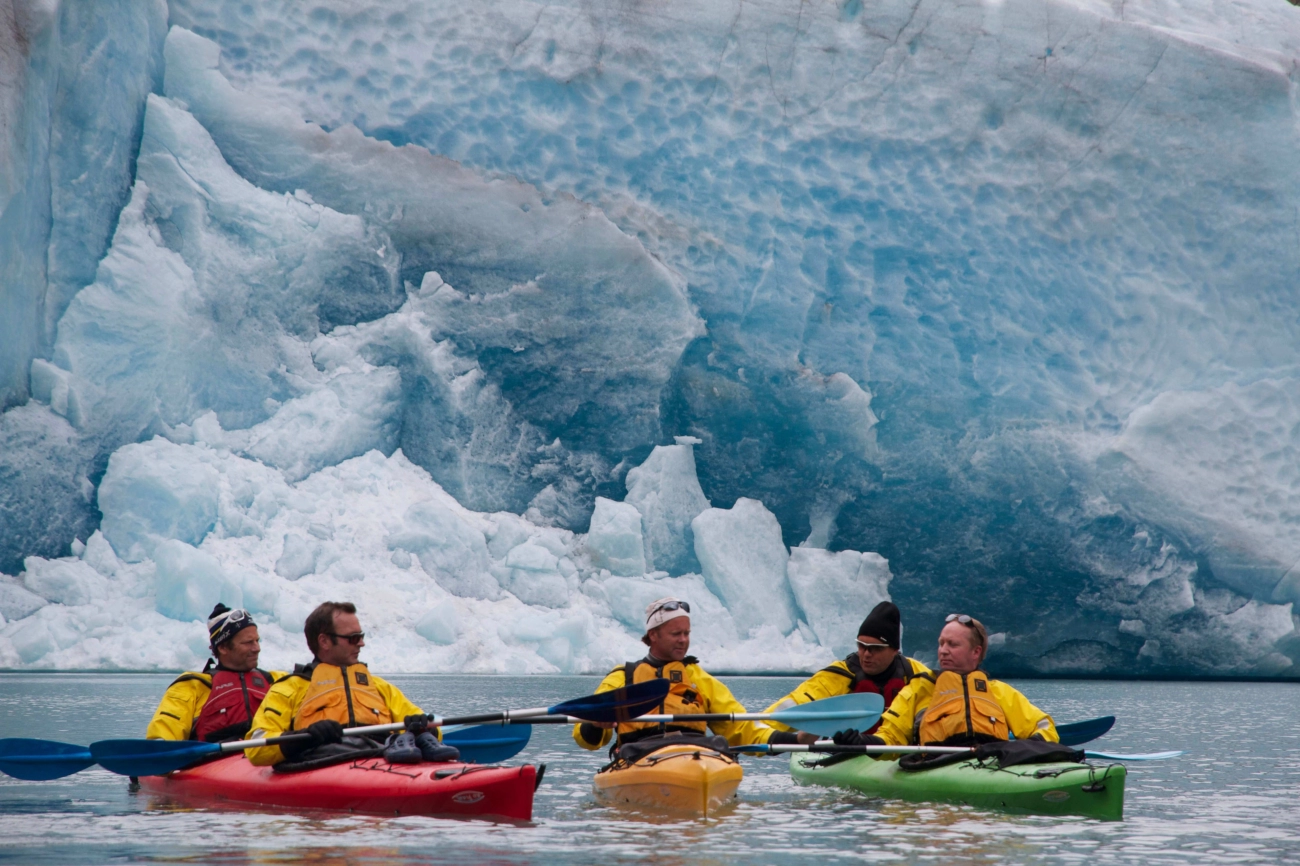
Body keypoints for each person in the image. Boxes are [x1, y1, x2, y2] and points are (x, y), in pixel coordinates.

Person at [245, 601, 451, 766]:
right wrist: (303, 737)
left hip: (382, 756)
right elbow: (256, 748)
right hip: (322, 761)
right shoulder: (289, 688)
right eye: (353, 638)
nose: (361, 643)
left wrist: (424, 728)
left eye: (360, 636)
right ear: (324, 641)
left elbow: (435, 730)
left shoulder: (379, 687)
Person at [573, 597, 782, 755]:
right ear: (653, 635)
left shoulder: (698, 678)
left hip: (695, 756)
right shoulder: (623, 677)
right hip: (638, 758)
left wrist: (789, 738)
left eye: (687, 633)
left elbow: (741, 728)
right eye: (676, 634)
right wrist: (594, 724)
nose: (683, 640)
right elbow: (587, 739)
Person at [834, 613, 1058, 748]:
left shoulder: (998, 691)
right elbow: (891, 735)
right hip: (933, 763)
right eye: (941, 644)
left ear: (975, 652)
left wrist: (1034, 743)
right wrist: (863, 741)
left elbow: (1043, 726)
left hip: (990, 763)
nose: (943, 651)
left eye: (953, 645)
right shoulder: (921, 688)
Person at [760, 601, 931, 745]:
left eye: (875, 649)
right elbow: (796, 702)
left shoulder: (916, 673)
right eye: (861, 646)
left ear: (894, 650)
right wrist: (758, 729)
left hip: (896, 750)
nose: (866, 654)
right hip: (845, 753)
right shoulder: (839, 675)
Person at [145, 604, 287, 743]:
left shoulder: (277, 681)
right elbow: (164, 735)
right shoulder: (192, 687)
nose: (257, 648)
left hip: (268, 757)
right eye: (248, 642)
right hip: (214, 760)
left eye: (257, 640)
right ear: (223, 647)